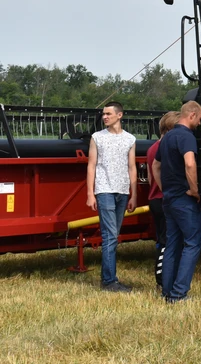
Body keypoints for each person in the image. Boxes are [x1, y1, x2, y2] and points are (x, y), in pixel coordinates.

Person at [154, 100, 201, 303]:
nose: (200, 123)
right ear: (191, 115)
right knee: (193, 243)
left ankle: (167, 291)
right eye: (200, 119)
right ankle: (179, 293)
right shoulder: (186, 136)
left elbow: (156, 165)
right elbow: (190, 163)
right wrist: (194, 190)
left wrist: (163, 188)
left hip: (169, 198)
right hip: (184, 198)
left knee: (172, 244)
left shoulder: (167, 137)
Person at [85, 101, 138, 292]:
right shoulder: (97, 137)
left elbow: (132, 167)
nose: (104, 117)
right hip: (104, 189)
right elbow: (91, 165)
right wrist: (90, 193)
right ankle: (109, 281)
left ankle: (108, 278)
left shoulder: (130, 139)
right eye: (103, 114)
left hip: (122, 191)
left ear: (119, 115)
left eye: (108, 114)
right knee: (110, 236)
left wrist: (134, 195)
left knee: (113, 235)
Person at [145, 111, 180, 291]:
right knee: (168, 242)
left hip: (154, 197)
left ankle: (162, 277)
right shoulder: (167, 148)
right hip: (165, 198)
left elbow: (150, 177)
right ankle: (162, 280)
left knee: (161, 240)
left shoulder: (152, 148)